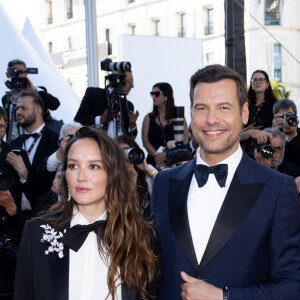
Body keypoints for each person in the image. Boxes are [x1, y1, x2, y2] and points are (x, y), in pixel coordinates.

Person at [151, 64, 300, 299]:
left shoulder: (278, 189)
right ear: (191, 113)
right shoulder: (163, 183)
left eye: (223, 107)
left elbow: (293, 285)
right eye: (202, 108)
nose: (211, 119)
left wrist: (225, 296)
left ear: (244, 113)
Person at [14, 126, 158, 300]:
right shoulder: (36, 232)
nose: (81, 176)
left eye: (94, 166)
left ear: (113, 174)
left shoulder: (140, 236)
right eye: (73, 165)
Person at [11, 91, 59, 214]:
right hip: (17, 216)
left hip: (45, 212)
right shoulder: (14, 143)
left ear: (38, 111)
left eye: (23, 108)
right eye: (17, 108)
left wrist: (25, 176)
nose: (18, 112)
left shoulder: (55, 142)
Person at [2, 59, 63, 140]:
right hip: (15, 144)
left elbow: (55, 104)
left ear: (27, 74)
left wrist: (34, 91)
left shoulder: (38, 92)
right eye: (16, 72)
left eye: (23, 72)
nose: (20, 75)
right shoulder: (6, 98)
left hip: (38, 142)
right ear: (8, 74)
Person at [74, 70, 139, 139]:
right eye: (130, 82)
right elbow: (77, 121)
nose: (132, 86)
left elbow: (132, 138)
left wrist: (132, 125)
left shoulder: (128, 105)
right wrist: (100, 119)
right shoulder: (94, 94)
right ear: (119, 81)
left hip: (119, 148)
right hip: (99, 146)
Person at [142, 82, 188, 169]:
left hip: (175, 163)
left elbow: (184, 140)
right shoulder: (148, 118)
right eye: (152, 94)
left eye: (157, 94)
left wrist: (167, 155)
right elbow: (145, 142)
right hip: (154, 164)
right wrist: (157, 156)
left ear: (166, 96)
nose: (153, 97)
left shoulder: (178, 116)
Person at [272, 98, 300, 168]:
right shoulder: (268, 134)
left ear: (296, 117)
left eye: (289, 116)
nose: (286, 120)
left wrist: (293, 135)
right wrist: (273, 130)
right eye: (282, 117)